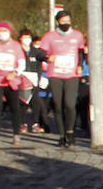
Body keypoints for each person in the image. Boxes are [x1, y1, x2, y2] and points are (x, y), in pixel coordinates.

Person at [39, 9, 87, 148]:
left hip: (72, 74)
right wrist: (48, 57)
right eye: (63, 21)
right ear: (57, 22)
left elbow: (80, 52)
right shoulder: (50, 36)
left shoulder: (77, 35)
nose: (66, 23)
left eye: (68, 21)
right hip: (55, 74)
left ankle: (70, 131)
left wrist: (79, 65)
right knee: (58, 105)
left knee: (70, 104)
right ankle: (62, 135)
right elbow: (39, 54)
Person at [17, 28, 49, 133]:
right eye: (25, 37)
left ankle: (36, 123)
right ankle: (22, 123)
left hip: (34, 80)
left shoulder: (35, 51)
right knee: (23, 103)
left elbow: (43, 57)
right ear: (20, 38)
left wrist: (47, 57)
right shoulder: (17, 50)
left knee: (35, 102)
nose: (27, 39)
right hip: (21, 80)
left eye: (28, 37)